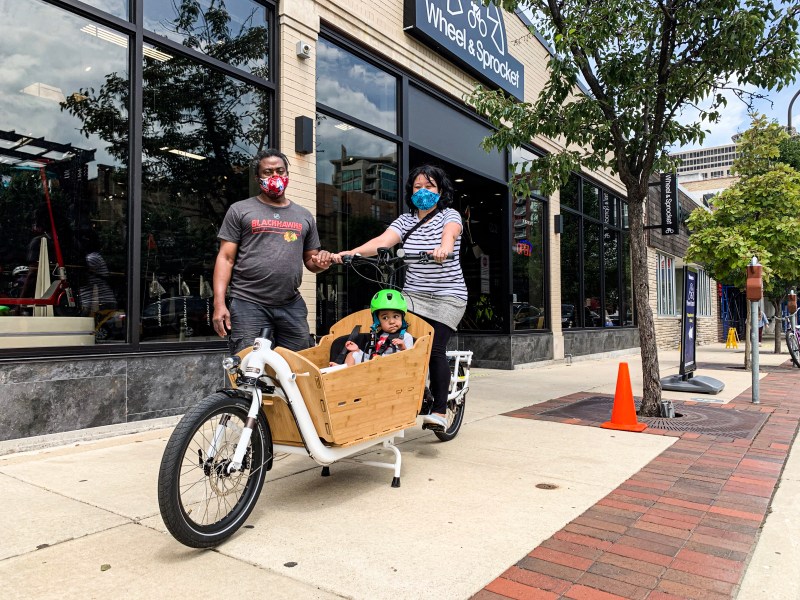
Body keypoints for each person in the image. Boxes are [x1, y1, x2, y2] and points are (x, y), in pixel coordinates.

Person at [333, 164, 467, 430]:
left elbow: (450, 234)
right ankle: (406, 397)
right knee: (396, 342)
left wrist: (443, 248)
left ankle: (439, 410)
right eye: (418, 187)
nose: (423, 191)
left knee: (433, 348)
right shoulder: (405, 221)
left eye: (429, 186)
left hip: (447, 296)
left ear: (440, 191)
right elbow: (382, 241)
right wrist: (350, 253)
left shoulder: (449, 215)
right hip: (413, 295)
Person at [213, 149, 333, 354]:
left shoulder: (303, 215)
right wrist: (219, 303)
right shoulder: (240, 210)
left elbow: (311, 261)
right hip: (249, 303)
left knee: (299, 367)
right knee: (249, 370)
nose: (275, 176)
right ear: (258, 177)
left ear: (287, 174)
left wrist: (323, 262)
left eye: (280, 171)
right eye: (268, 172)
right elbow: (226, 258)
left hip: (290, 304)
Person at [338, 290, 414, 367]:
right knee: (352, 354)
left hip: (391, 369)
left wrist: (403, 348)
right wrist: (357, 350)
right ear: (378, 321)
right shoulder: (376, 337)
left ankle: (340, 371)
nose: (391, 321)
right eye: (385, 318)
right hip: (374, 367)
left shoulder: (406, 337)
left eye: (396, 316)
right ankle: (342, 371)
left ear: (402, 318)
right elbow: (371, 357)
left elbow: (410, 360)